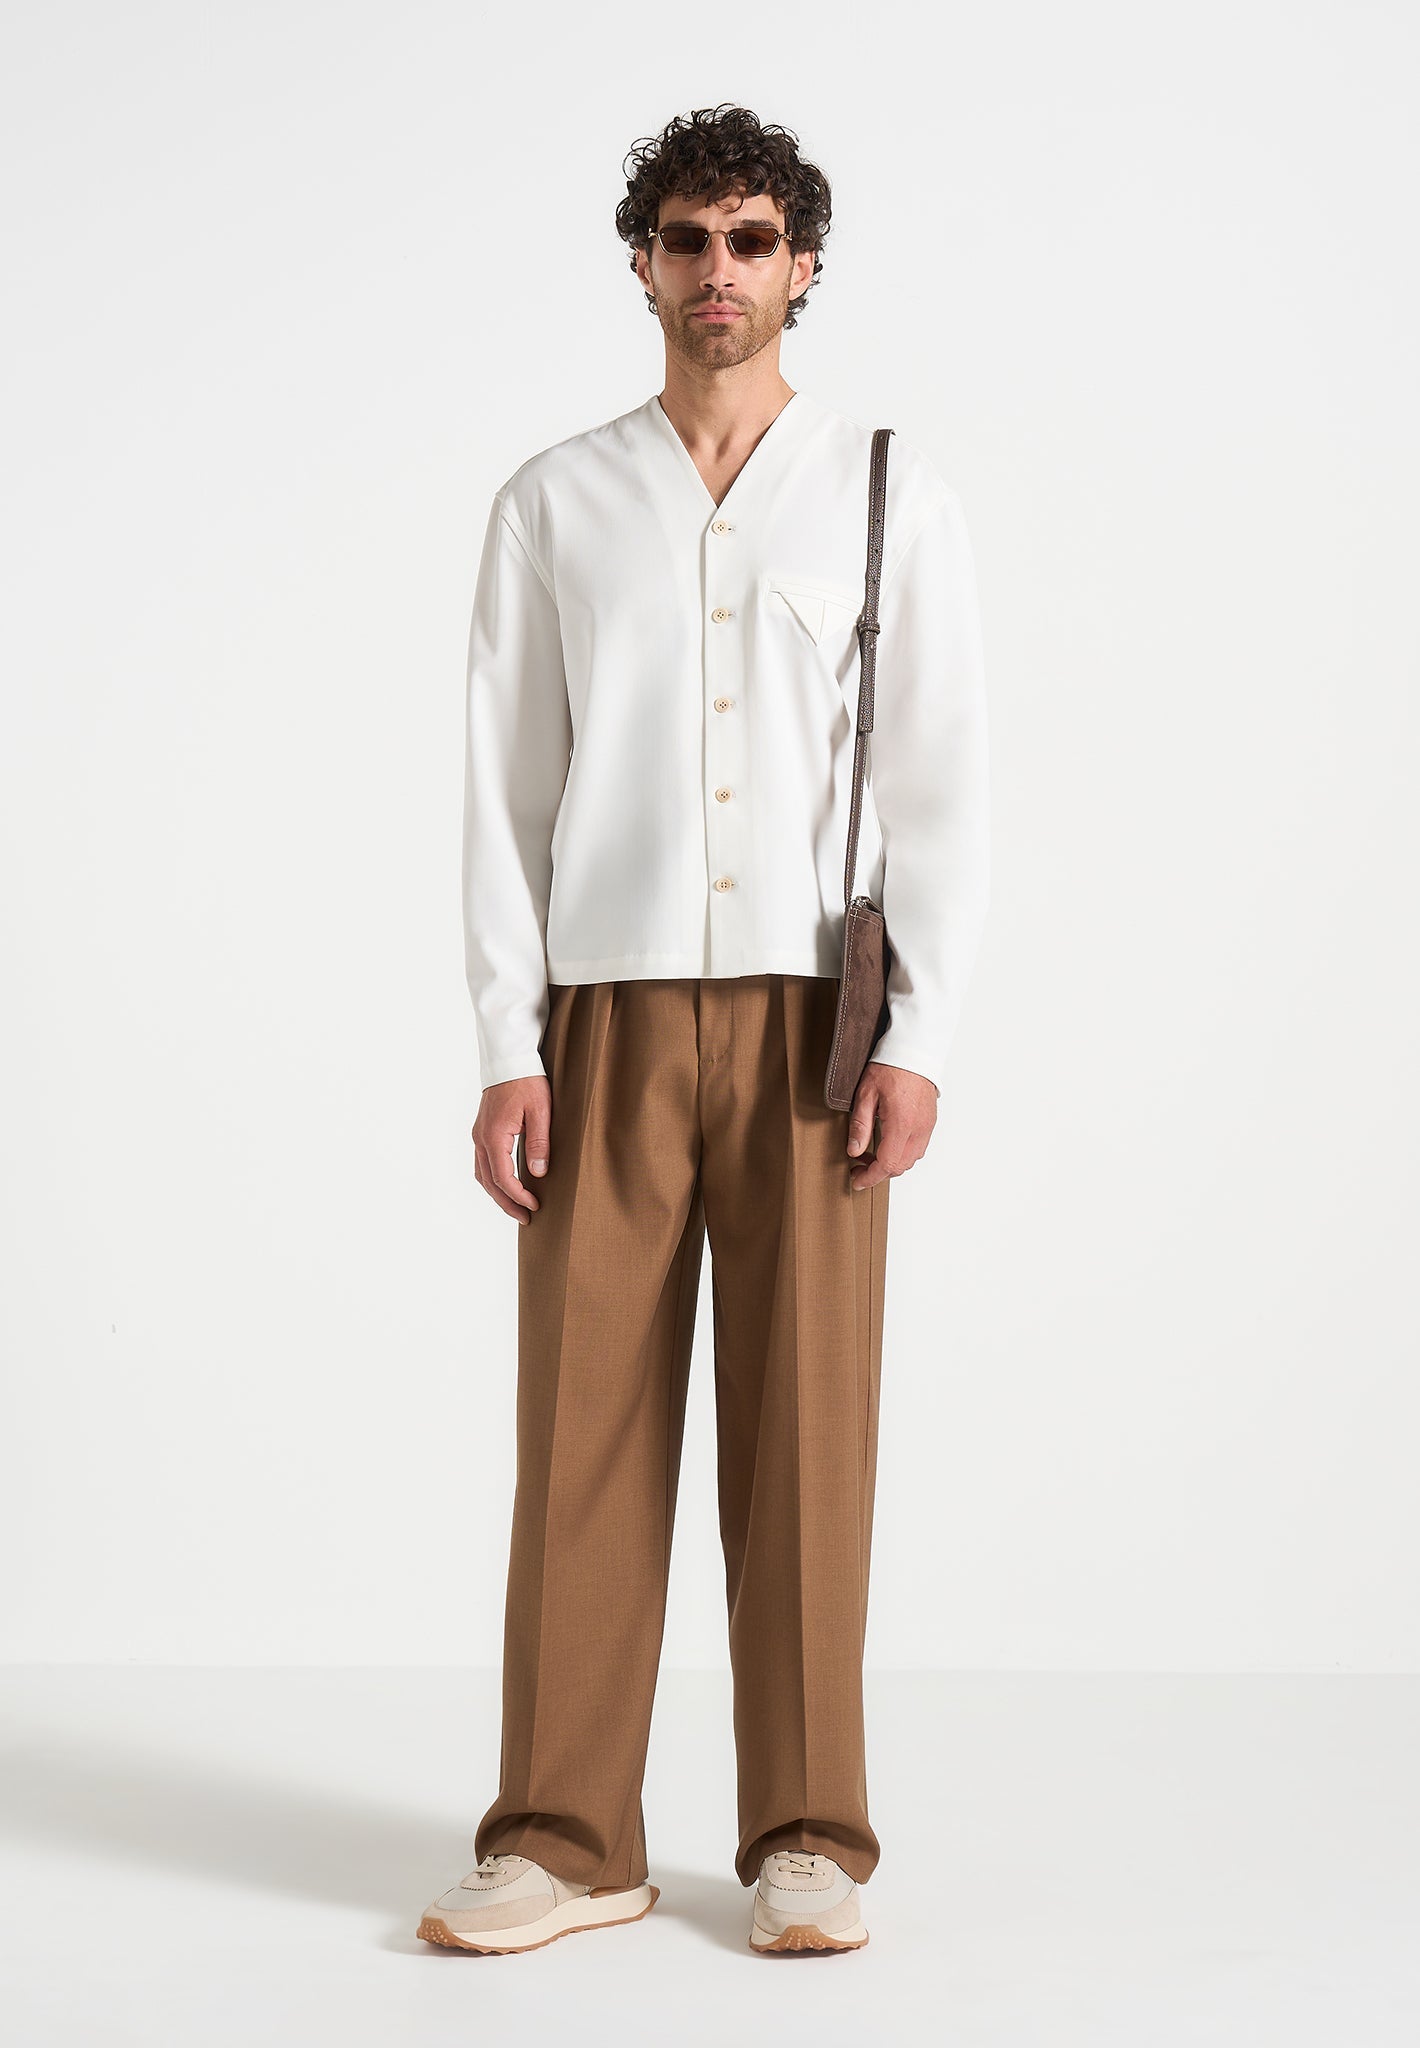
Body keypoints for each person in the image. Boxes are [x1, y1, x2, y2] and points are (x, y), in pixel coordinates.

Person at [417, 101, 990, 1958]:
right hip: (605, 1016)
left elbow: (943, 786)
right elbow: (507, 792)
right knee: (579, 1425)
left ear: (803, 265)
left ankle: (810, 1836)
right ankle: (566, 1837)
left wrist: (923, 1036)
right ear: (644, 263)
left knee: (808, 1435)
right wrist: (508, 1042)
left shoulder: (887, 490)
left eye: (752, 239)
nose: (719, 271)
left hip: (820, 1024)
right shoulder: (556, 502)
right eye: (688, 238)